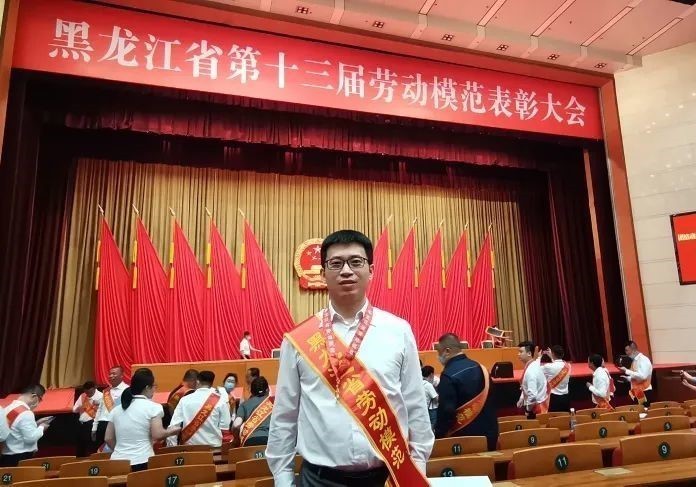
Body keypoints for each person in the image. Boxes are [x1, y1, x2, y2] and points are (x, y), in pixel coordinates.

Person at [266, 229, 433, 487]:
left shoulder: (398, 331)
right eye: (336, 263)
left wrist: (416, 469)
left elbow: (415, 406)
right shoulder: (298, 340)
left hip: (387, 477)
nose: (346, 271)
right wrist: (283, 479)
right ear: (323, 273)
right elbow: (284, 416)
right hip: (319, 480)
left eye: (356, 262)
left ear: (371, 270)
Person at [105, 368, 181, 471]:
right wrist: (172, 430)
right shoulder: (153, 407)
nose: (154, 389)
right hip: (142, 461)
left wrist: (122, 452)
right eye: (154, 386)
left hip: (118, 461)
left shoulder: (116, 409)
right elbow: (157, 434)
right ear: (147, 388)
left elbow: (108, 438)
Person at [434, 333, 498, 451]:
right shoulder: (481, 368)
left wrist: (438, 435)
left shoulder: (448, 375)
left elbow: (446, 411)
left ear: (447, 351)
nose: (438, 356)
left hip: (464, 441)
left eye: (439, 352)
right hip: (490, 436)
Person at [168, 370, 230, 447]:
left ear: (197, 382)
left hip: (189, 449)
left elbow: (174, 426)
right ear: (211, 384)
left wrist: (173, 447)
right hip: (214, 448)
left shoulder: (184, 400)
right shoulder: (221, 400)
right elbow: (225, 428)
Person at [0, 385, 54, 467]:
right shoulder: (26, 413)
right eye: (40, 399)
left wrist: (36, 423)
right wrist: (42, 427)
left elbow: (15, 429)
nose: (39, 403)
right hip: (20, 457)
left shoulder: (8, 408)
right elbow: (30, 438)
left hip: (7, 455)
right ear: (34, 397)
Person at [92, 365, 129, 447]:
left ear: (122, 375)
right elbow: (99, 410)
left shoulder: (127, 390)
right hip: (102, 425)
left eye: (114, 374)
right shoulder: (106, 391)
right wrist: (94, 427)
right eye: (110, 374)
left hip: (118, 424)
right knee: (102, 451)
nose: (111, 376)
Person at [234, 376, 273, 447]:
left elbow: (236, 425)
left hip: (250, 441)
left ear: (251, 391)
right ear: (267, 390)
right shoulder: (273, 403)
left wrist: (236, 440)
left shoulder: (244, 404)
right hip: (270, 441)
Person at [517, 341, 549, 418]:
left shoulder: (531, 371)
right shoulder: (533, 365)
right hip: (538, 404)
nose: (518, 354)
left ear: (529, 353)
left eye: (521, 352)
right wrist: (522, 398)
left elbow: (532, 396)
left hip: (535, 410)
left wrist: (527, 410)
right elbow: (527, 387)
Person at [72, 381, 103, 457]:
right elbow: (74, 409)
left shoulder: (101, 396)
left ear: (95, 388)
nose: (88, 394)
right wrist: (80, 407)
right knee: (80, 447)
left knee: (92, 448)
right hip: (81, 424)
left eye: (89, 392)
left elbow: (104, 412)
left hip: (92, 424)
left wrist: (98, 405)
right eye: (86, 392)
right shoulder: (83, 396)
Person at [620, 340, 653, 407]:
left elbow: (643, 376)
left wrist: (627, 371)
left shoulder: (643, 359)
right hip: (636, 391)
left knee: (644, 412)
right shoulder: (634, 361)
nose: (626, 353)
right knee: (637, 412)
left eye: (627, 350)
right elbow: (637, 376)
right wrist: (628, 379)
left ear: (633, 349)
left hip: (644, 391)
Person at [539, 346, 571, 412]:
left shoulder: (548, 366)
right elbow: (557, 363)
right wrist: (552, 356)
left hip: (554, 399)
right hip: (566, 398)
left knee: (553, 417)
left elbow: (536, 369)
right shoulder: (568, 366)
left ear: (553, 354)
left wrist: (539, 357)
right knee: (565, 417)